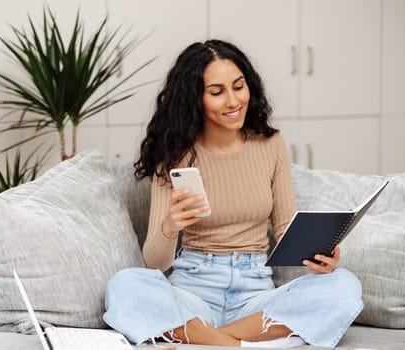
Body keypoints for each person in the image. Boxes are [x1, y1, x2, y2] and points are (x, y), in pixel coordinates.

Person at [103, 39, 363, 348]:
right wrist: (170, 226)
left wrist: (319, 254)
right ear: (194, 99)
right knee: (125, 285)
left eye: (238, 87)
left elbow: (284, 230)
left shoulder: (271, 145)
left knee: (345, 286)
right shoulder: (174, 154)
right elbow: (155, 265)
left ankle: (205, 340)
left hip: (255, 295)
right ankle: (244, 344)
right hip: (193, 291)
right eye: (216, 92)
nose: (232, 101)